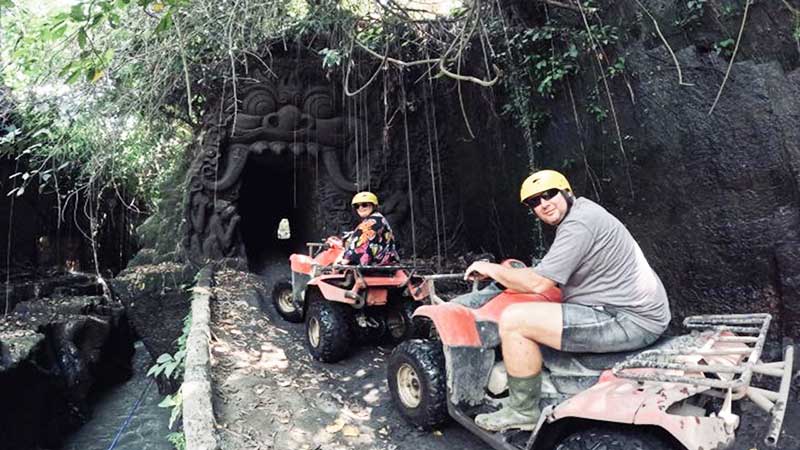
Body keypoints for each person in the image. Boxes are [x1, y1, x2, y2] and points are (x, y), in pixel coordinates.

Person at [460, 169, 671, 432]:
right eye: (534, 202)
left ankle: (522, 411)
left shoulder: (578, 224)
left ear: (567, 192)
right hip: (628, 310)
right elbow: (551, 271)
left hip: (627, 319)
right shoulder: (583, 214)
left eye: (549, 195)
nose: (543, 204)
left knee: (514, 320)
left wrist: (490, 269)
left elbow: (538, 282)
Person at [338, 191, 399, 266]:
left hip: (376, 265)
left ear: (373, 206)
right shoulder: (377, 218)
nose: (360, 208)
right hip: (382, 263)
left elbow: (359, 244)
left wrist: (342, 262)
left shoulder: (372, 222)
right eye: (357, 206)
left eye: (364, 205)